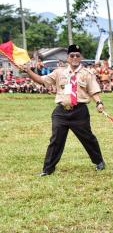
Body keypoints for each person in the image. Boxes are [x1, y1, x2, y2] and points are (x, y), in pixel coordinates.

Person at [20, 44, 107, 176]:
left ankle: (99, 161)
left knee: (88, 138)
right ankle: (48, 170)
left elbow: (93, 90)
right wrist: (29, 71)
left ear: (81, 57)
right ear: (67, 57)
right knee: (56, 140)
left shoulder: (87, 74)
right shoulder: (59, 72)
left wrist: (99, 103)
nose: (75, 58)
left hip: (79, 111)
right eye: (72, 55)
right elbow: (42, 81)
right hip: (61, 112)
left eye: (78, 55)